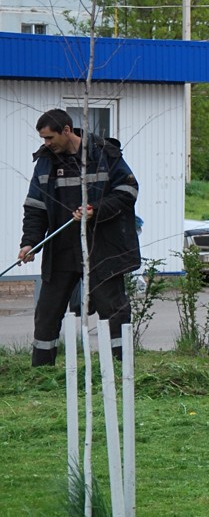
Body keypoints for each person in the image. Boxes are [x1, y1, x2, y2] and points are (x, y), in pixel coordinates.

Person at [19, 109, 139, 366]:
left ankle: (121, 369)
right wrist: (29, 243)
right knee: (47, 313)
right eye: (43, 139)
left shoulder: (105, 154)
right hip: (61, 251)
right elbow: (35, 207)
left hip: (102, 249)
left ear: (66, 130)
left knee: (114, 311)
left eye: (50, 137)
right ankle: (41, 372)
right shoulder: (45, 162)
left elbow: (128, 191)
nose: (46, 144)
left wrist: (96, 209)